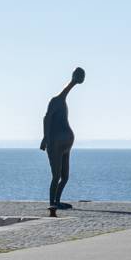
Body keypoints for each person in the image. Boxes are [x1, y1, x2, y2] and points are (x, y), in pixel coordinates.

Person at [41, 67, 84, 209]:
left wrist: (74, 82)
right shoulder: (56, 101)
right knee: (56, 176)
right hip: (56, 144)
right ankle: (52, 203)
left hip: (65, 145)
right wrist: (46, 138)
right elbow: (46, 119)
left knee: (65, 177)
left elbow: (66, 92)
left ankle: (57, 201)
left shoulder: (61, 101)